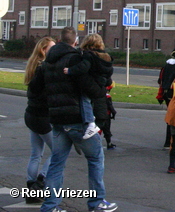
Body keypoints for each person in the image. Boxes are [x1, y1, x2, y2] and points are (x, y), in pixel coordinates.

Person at [34, 27, 117, 212]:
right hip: (77, 118)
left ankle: (50, 207)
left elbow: (37, 89)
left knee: (57, 163)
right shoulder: (75, 59)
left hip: (56, 119)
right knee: (95, 158)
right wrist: (101, 89)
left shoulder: (48, 62)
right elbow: (90, 88)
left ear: (59, 40)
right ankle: (96, 202)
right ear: (75, 41)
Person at [23, 36, 56, 204]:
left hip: (31, 114)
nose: (55, 50)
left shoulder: (32, 65)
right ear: (44, 50)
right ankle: (40, 182)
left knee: (36, 153)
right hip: (42, 116)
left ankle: (31, 186)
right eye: (52, 47)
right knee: (57, 151)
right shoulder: (44, 68)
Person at [63, 34, 114, 141]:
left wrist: (70, 70)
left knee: (85, 99)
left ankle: (90, 122)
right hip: (100, 88)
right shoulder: (106, 56)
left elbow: (83, 67)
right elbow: (109, 73)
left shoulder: (89, 55)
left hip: (91, 86)